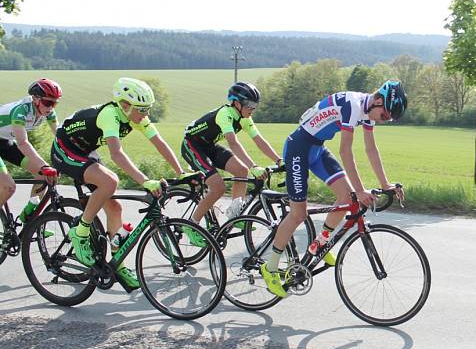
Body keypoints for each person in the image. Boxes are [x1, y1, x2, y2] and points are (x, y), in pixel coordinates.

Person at [260, 80, 407, 297]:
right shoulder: (354, 106)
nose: (385, 120)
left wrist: (386, 184)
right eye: (385, 115)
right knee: (298, 213)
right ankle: (270, 266)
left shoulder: (368, 111)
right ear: (378, 100)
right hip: (299, 148)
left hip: (317, 149)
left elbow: (370, 149)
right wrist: (360, 189)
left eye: (389, 119)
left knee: (346, 198)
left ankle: (319, 243)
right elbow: (346, 151)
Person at [50, 77, 187, 290]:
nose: (146, 115)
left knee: (115, 207)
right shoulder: (110, 115)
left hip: (85, 151)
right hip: (64, 149)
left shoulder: (136, 117)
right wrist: (145, 181)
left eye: (148, 109)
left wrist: (181, 172)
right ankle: (81, 231)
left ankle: (118, 264)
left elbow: (159, 142)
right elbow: (116, 154)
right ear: (125, 105)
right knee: (110, 181)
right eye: (142, 110)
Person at [180, 82, 281, 245]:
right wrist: (254, 166)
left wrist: (278, 160)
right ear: (236, 102)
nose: (252, 109)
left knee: (241, 170)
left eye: (255, 105)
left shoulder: (244, 118)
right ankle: (192, 225)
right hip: (193, 145)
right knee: (218, 187)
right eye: (249, 105)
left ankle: (235, 214)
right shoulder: (225, 114)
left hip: (209, 145)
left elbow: (259, 140)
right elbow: (233, 143)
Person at [0, 78, 62, 215]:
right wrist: (44, 165)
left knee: (43, 176)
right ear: (35, 99)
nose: (51, 107)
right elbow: (22, 143)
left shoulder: (48, 112)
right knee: (8, 187)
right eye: (47, 102)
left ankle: (30, 218)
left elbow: (60, 137)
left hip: (4, 141)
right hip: (10, 141)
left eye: (54, 104)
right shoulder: (20, 111)